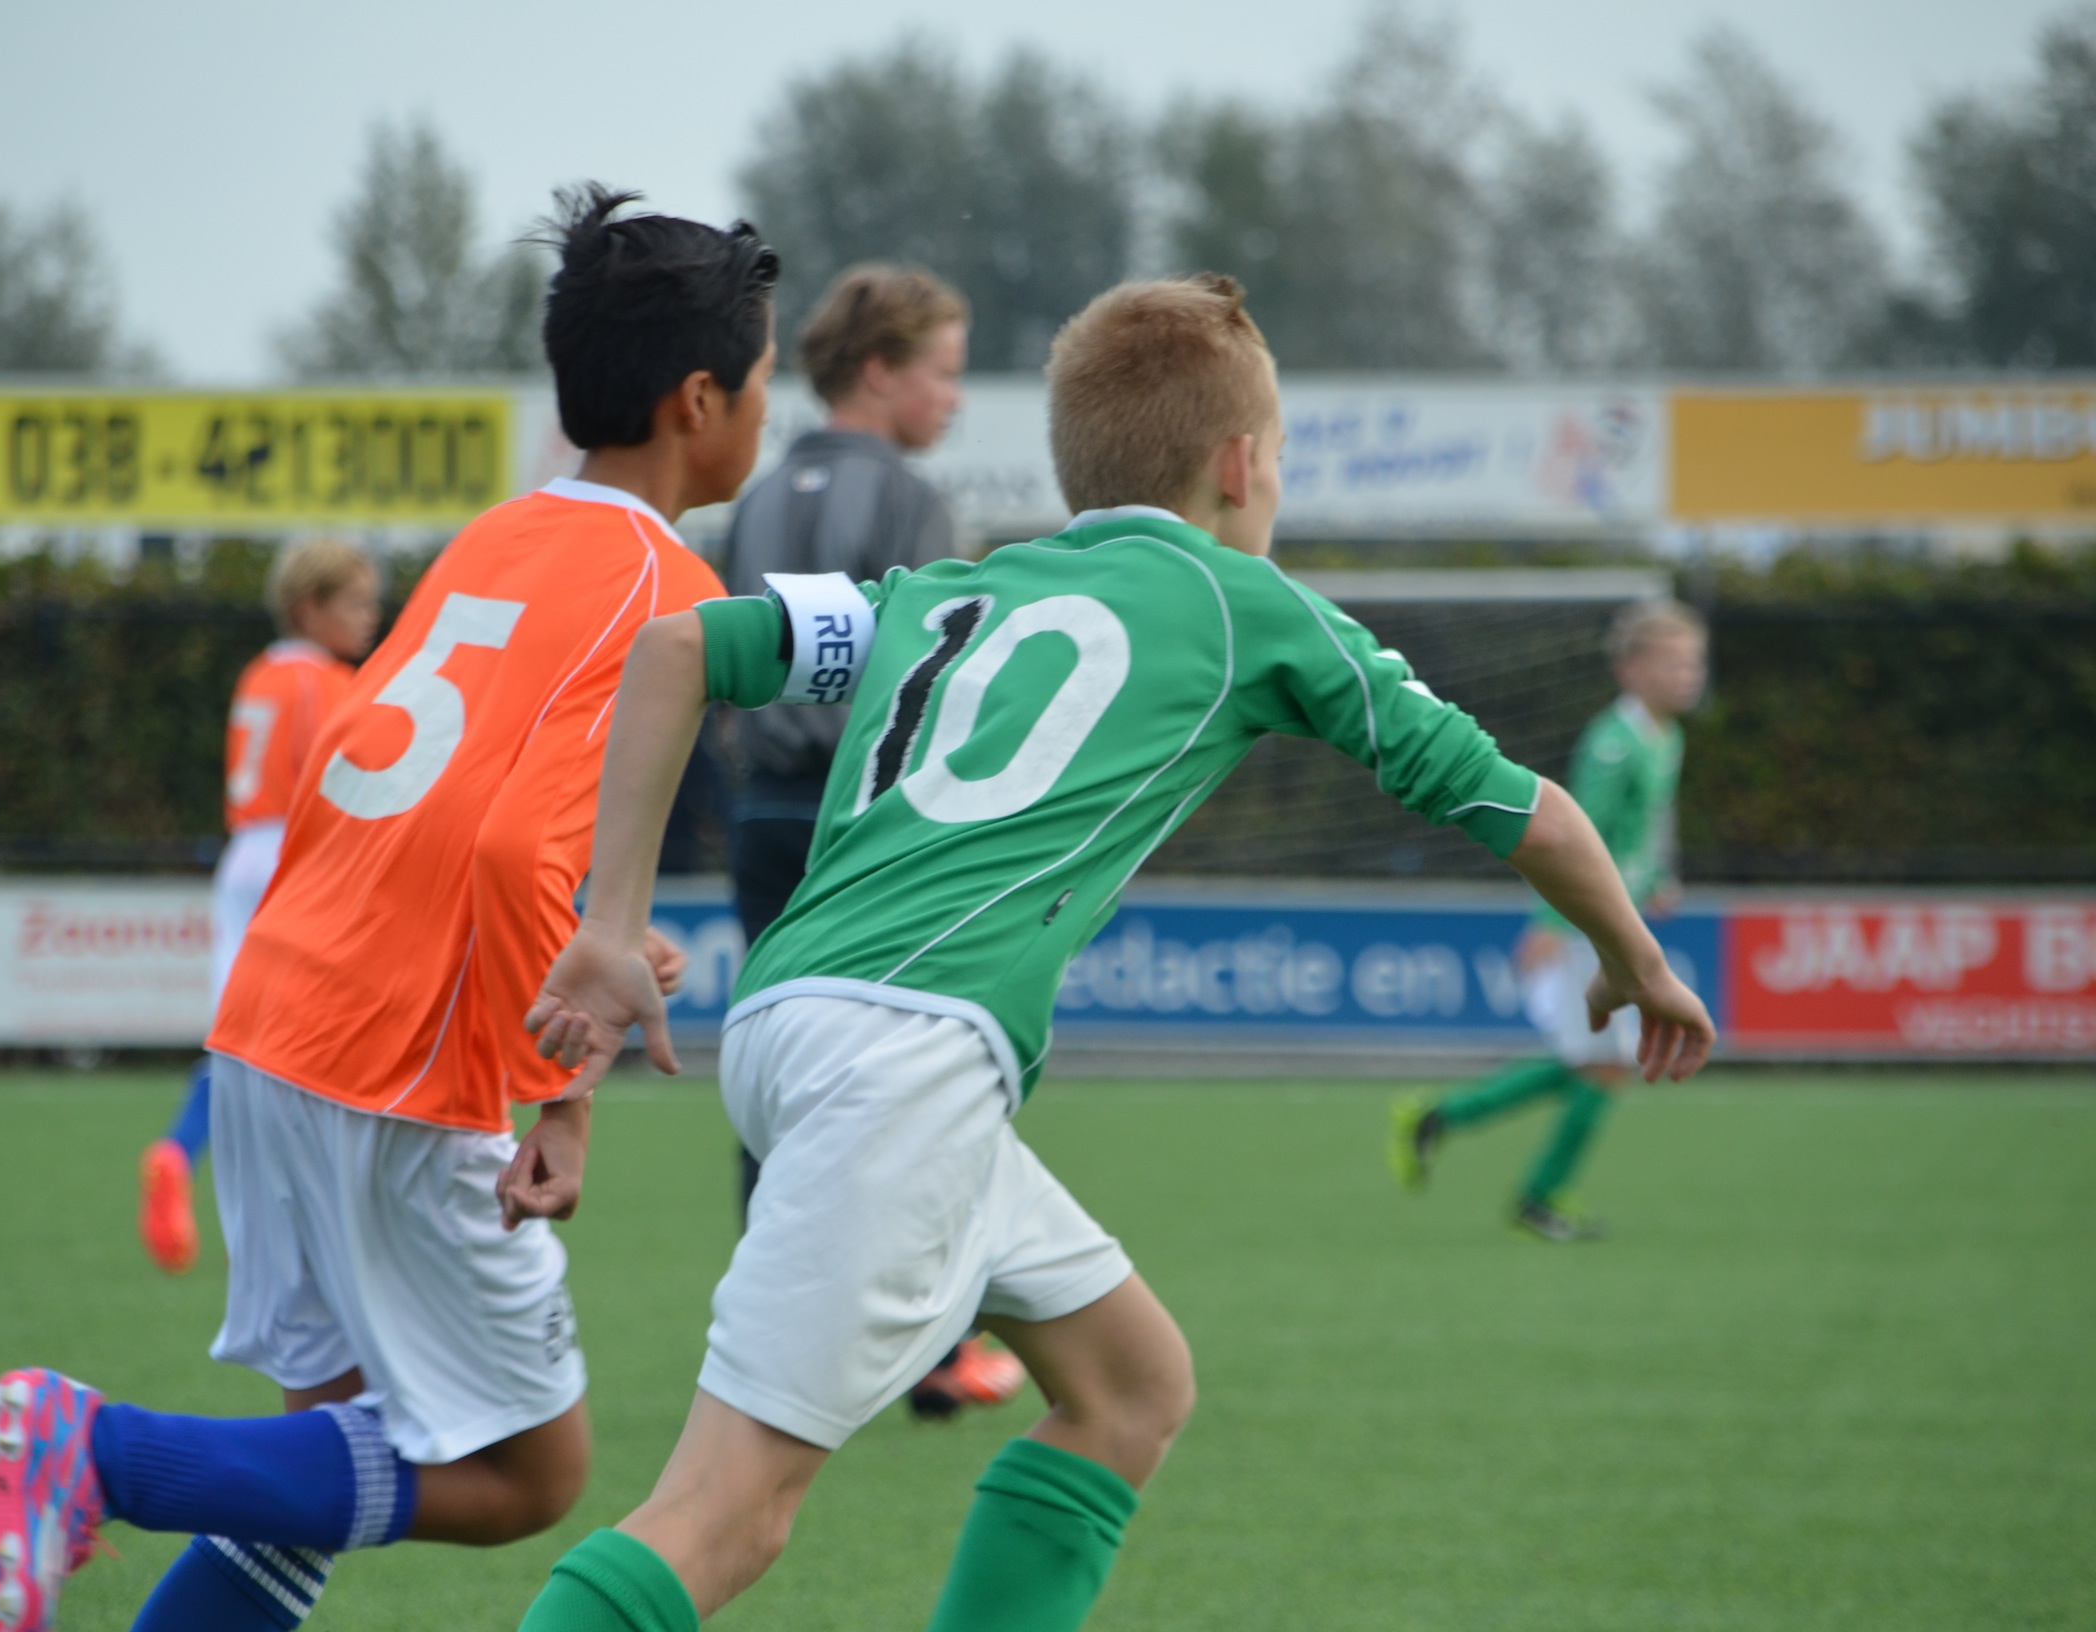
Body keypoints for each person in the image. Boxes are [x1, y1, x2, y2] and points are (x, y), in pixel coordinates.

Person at [503, 274, 1716, 1632]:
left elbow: (678, 645)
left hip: (792, 1020)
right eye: (1279, 464)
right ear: (1240, 465)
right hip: (906, 1057)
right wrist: (1636, 960)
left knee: (1131, 1386)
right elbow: (1530, 812)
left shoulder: (944, 592)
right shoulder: (1245, 604)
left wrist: (610, 924)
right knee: (725, 1515)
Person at [0, 186, 779, 1632]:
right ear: (698, 400)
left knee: (318, 1477)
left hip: (281, 1017)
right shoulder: (667, 590)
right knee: (525, 1475)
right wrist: (561, 1089)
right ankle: (95, 1450)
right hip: (401, 1063)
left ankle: (98, 1464)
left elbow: (405, 790)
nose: (769, 410)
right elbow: (511, 843)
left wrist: (572, 948)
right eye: (765, 380)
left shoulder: (498, 534)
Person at [715, 262, 1020, 1418]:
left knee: (779, 1070)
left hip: (762, 815)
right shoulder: (911, 502)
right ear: (881, 373)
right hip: (866, 824)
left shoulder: (751, 499)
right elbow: (933, 682)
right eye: (942, 372)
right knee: (907, 1074)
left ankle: (771, 1344)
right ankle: (933, 1353)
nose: (953, 398)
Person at [1389, 600, 1709, 1240]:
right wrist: (1549, 921)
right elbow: (1570, 835)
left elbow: (1641, 830)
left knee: (1588, 1062)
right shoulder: (1613, 743)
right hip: (1589, 919)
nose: (1688, 676)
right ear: (1631, 669)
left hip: (1621, 916)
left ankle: (1441, 1120)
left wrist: (1655, 880)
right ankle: (1535, 1196)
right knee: (1604, 1065)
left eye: (1694, 663)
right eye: (1673, 663)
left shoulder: (1666, 737)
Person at [137, 537, 380, 1275]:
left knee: (243, 1037)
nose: (370, 617)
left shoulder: (260, 673)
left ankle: (180, 1149)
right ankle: (323, 1203)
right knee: (322, 1037)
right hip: (298, 859)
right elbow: (348, 787)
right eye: (355, 603)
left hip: (245, 853)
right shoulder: (328, 683)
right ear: (310, 607)